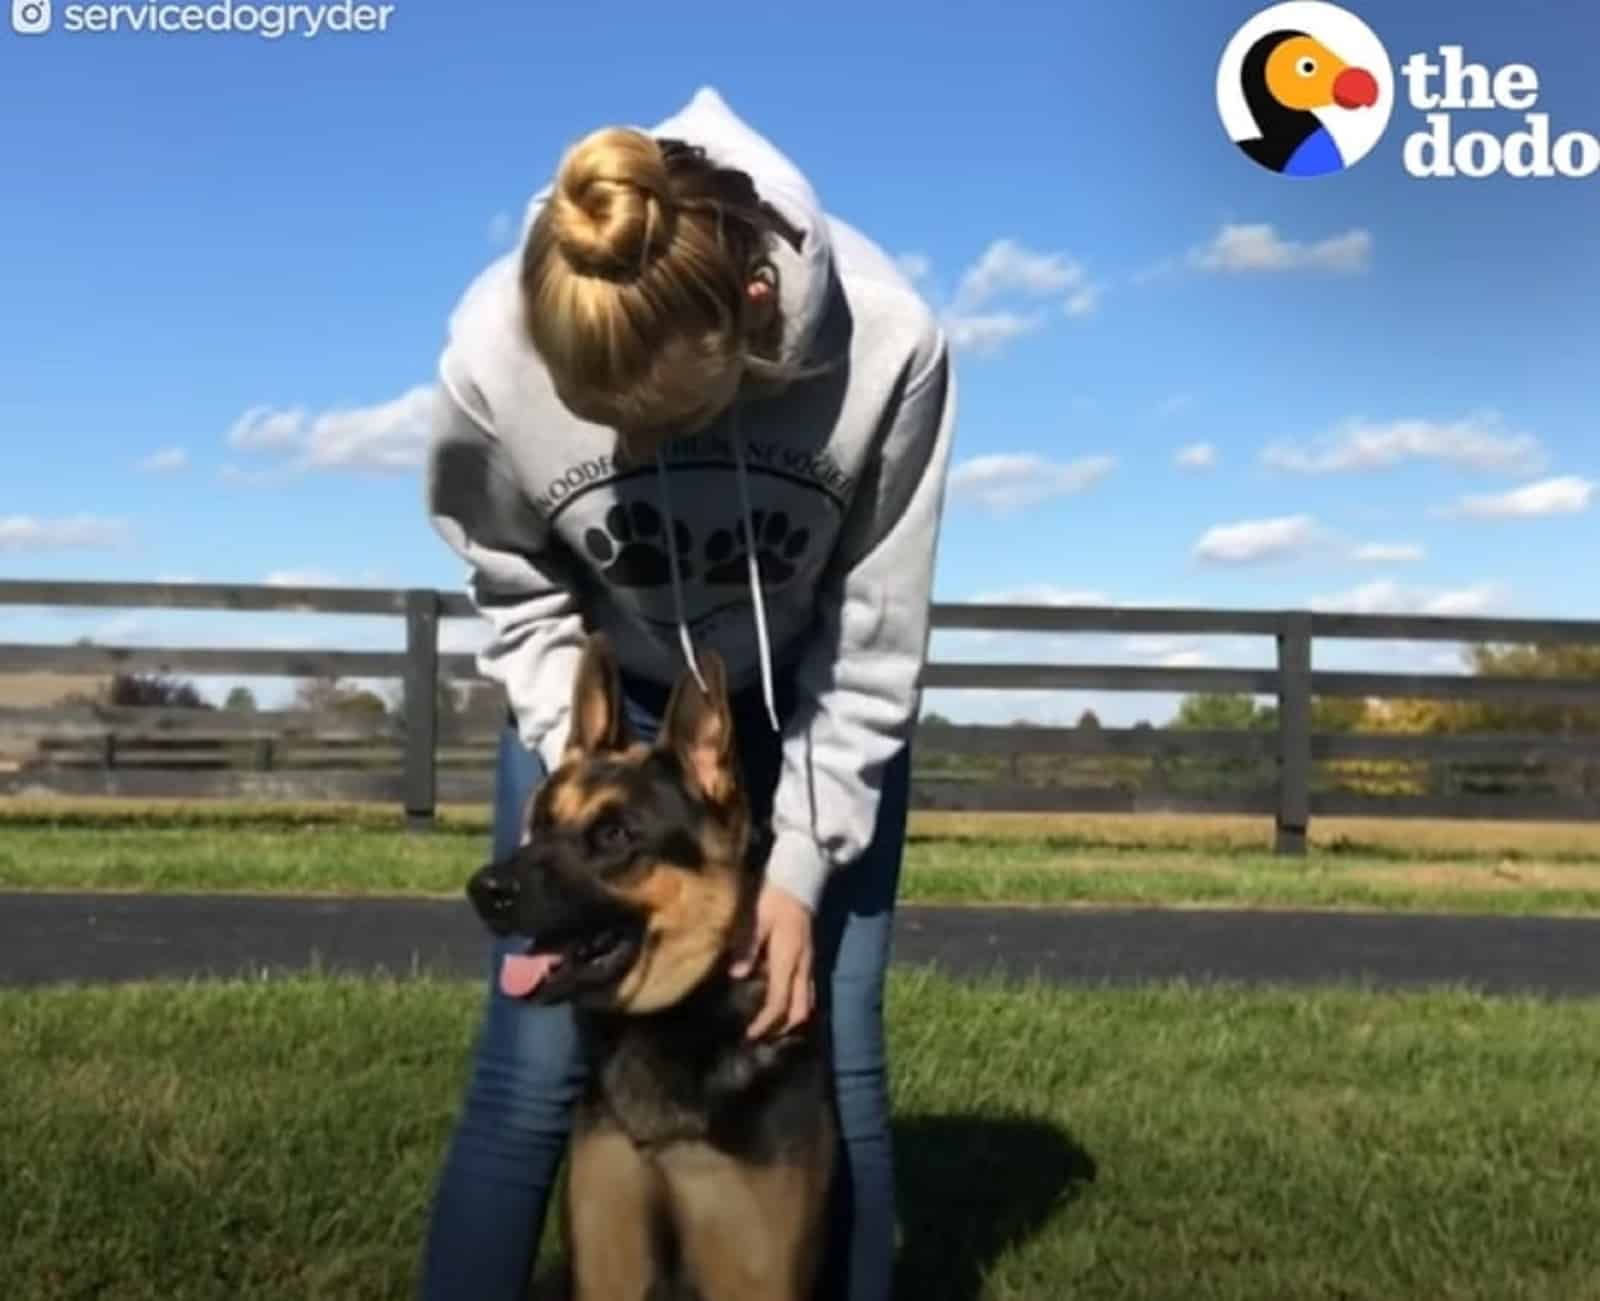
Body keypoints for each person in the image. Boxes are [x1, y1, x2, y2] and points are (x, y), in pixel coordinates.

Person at [419, 85, 956, 1301]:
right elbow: (517, 590)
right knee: (528, 1072)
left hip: (809, 707)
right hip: (598, 704)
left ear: (754, 314)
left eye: (660, 419)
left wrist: (800, 867)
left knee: (835, 1053)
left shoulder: (888, 342)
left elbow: (872, 643)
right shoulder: (488, 352)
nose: (638, 458)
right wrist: (579, 769)